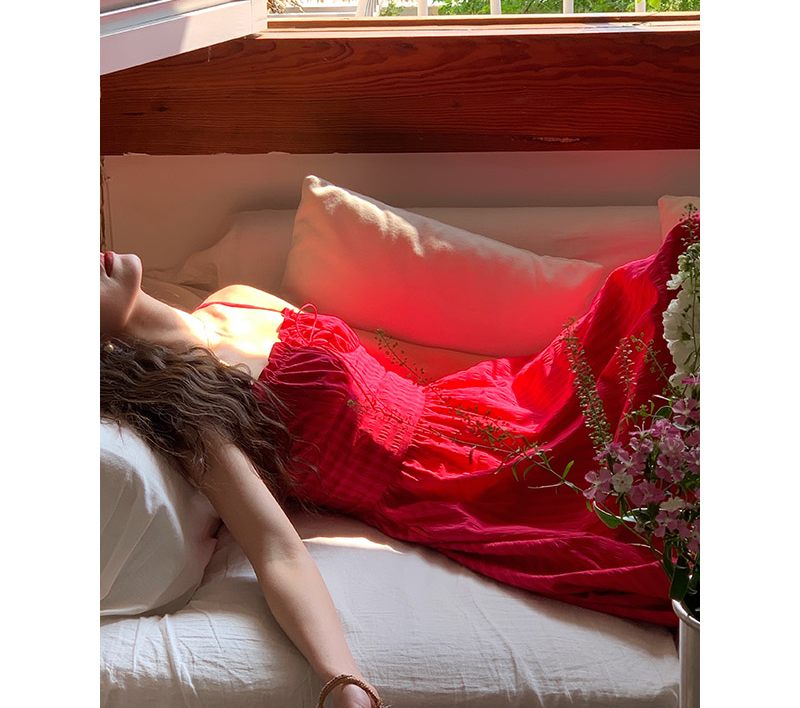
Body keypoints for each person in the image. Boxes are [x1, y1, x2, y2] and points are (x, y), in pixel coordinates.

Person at [101, 218, 696, 705]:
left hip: (483, 405)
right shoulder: (192, 408)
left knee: (684, 261)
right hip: (463, 480)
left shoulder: (228, 300)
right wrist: (342, 680)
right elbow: (276, 549)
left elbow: (393, 365)